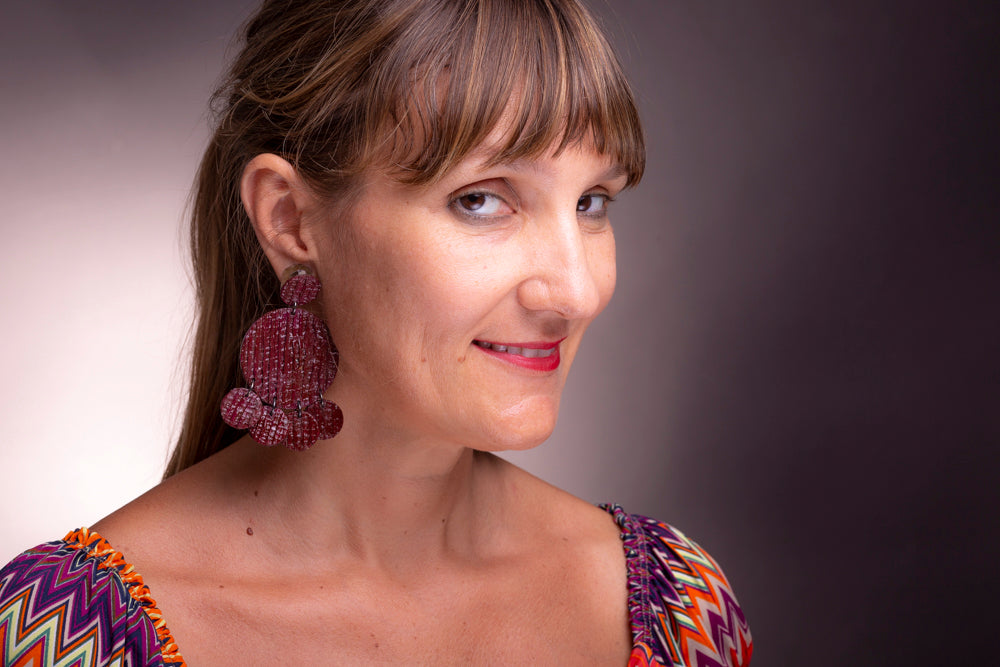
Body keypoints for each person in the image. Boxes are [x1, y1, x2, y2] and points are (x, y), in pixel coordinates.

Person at [0, 0, 752, 664]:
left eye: (592, 202)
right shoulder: (69, 638)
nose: (577, 291)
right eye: (482, 200)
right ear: (291, 219)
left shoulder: (677, 611)